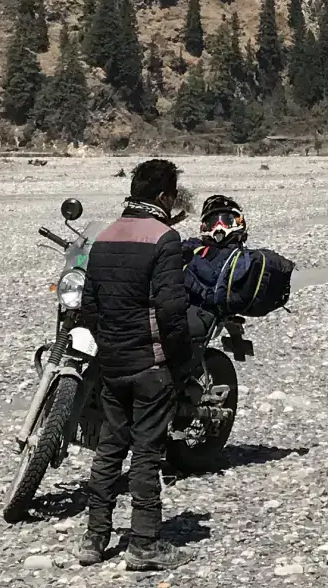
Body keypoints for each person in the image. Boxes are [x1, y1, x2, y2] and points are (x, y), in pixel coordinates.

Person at [78, 159, 200, 570]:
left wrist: (111, 346)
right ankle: (144, 544)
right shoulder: (164, 238)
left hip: (111, 362)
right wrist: (181, 365)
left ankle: (95, 540)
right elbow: (171, 310)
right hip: (150, 362)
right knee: (148, 450)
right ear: (165, 197)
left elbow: (89, 308)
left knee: (110, 445)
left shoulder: (104, 236)